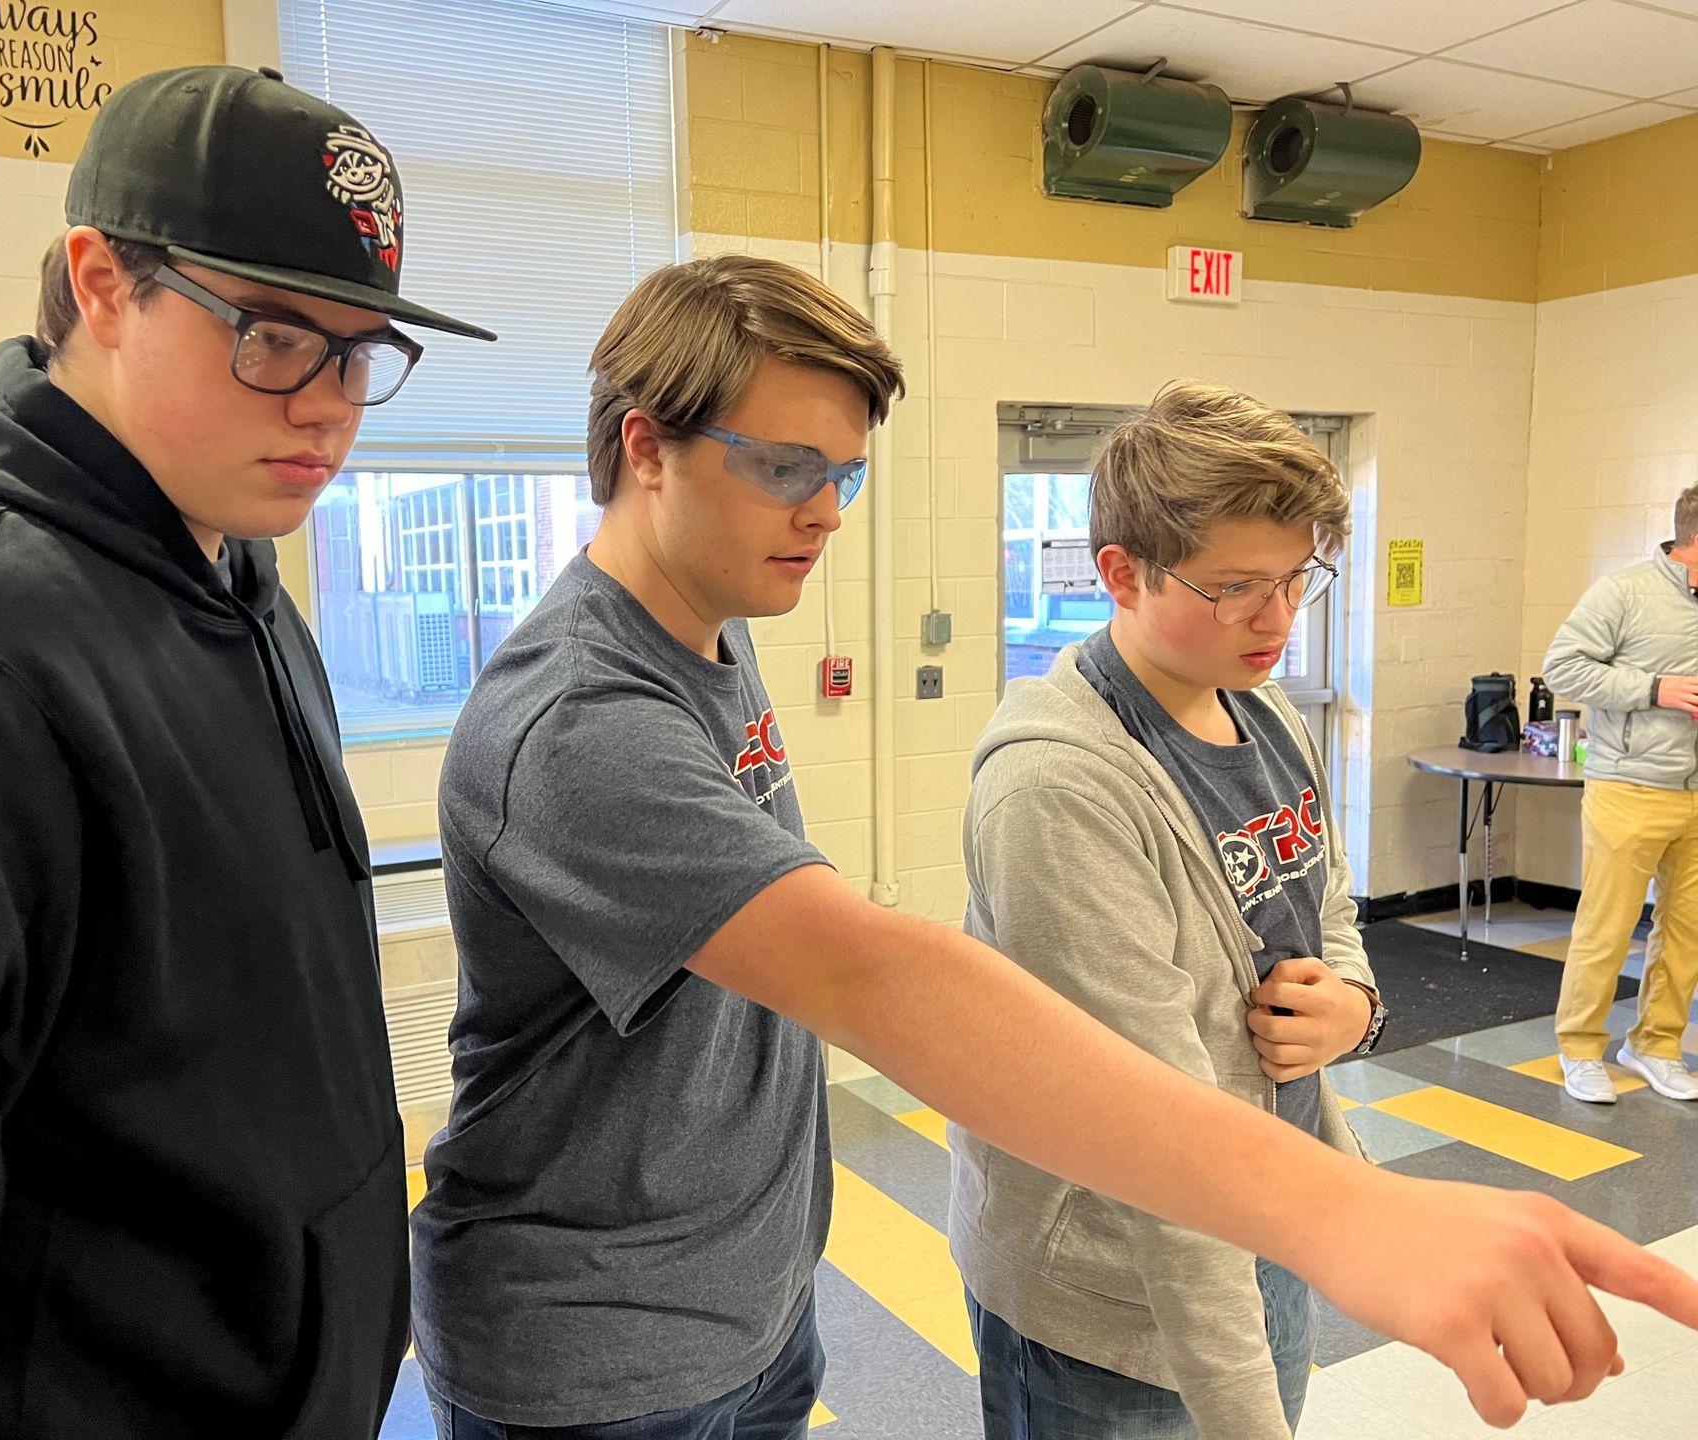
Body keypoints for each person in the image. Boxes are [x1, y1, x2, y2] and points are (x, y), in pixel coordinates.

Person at [411, 254, 1698, 1440]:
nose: (826, 513)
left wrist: (1349, 1018)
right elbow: (870, 978)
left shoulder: (707, 628)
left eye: (842, 475)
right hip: (597, 1341)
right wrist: (1350, 1213)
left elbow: (1314, 920)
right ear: (648, 448)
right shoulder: (582, 718)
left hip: (741, 1293)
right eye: (787, 469)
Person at [0, 66, 493, 1439]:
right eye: (276, 336)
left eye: (360, 353)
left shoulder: (224, 561)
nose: (329, 404)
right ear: (103, 284)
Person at [954, 382, 1384, 1439]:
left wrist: (1356, 1005)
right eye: (1235, 587)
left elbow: (1322, 898)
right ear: (1120, 574)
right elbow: (1148, 1134)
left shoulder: (1262, 705)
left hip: (1262, 1219)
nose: (1277, 620)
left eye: (1295, 581)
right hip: (1114, 1291)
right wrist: (1248, 1418)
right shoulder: (1060, 789)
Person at [1544, 487, 1698, 1105]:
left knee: (1687, 931)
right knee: (1606, 930)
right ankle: (1580, 1049)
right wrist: (1655, 688)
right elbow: (1563, 667)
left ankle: (1656, 1045)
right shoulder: (1625, 592)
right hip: (1629, 786)